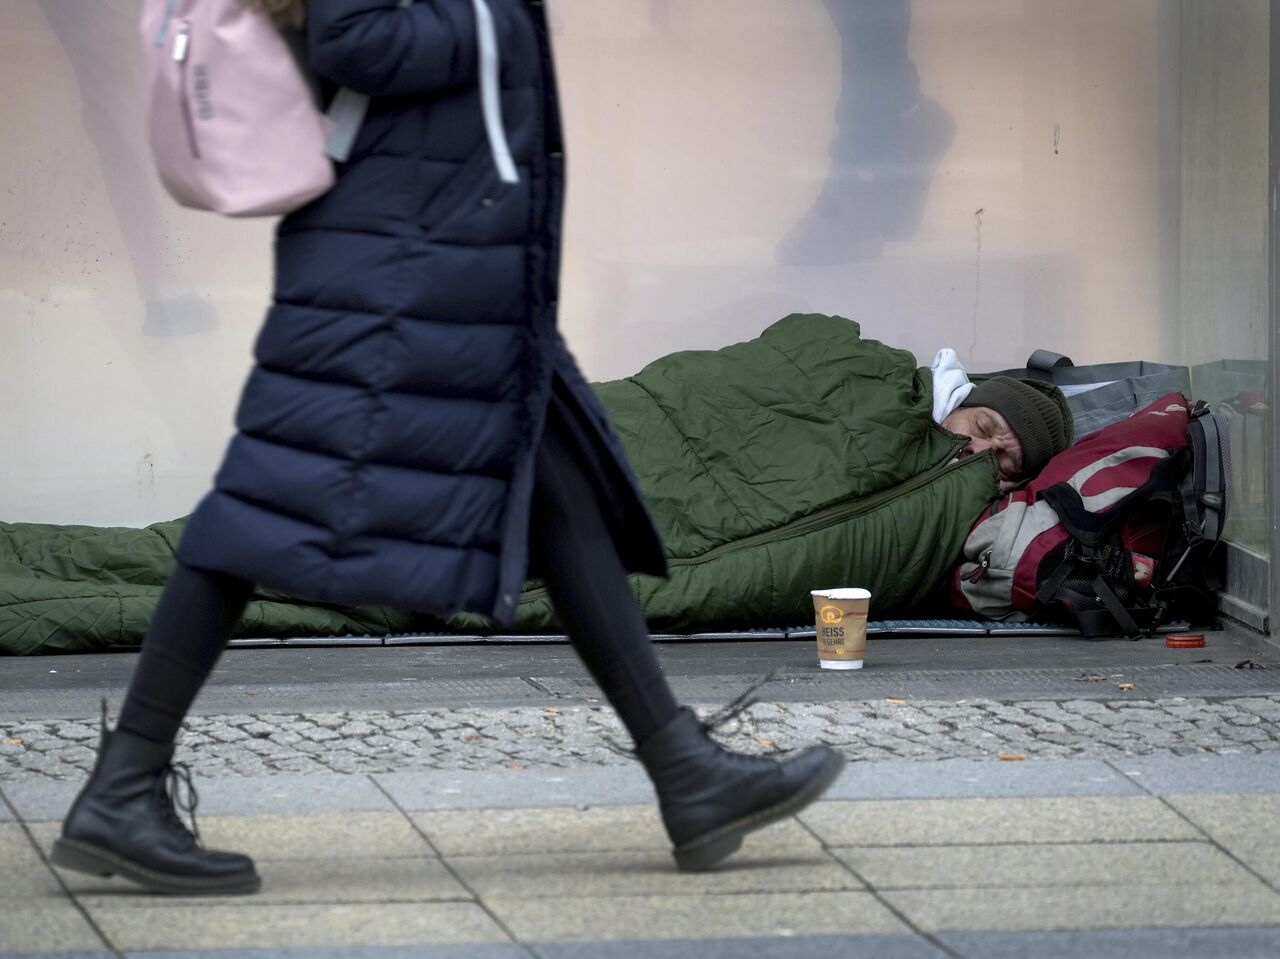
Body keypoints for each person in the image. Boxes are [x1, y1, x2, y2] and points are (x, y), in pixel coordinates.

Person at [50, 0, 844, 895]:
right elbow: (353, 34)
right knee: (263, 505)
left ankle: (685, 770)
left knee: (561, 484)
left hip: (451, 245)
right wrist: (499, 26)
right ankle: (122, 783)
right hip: (401, 251)